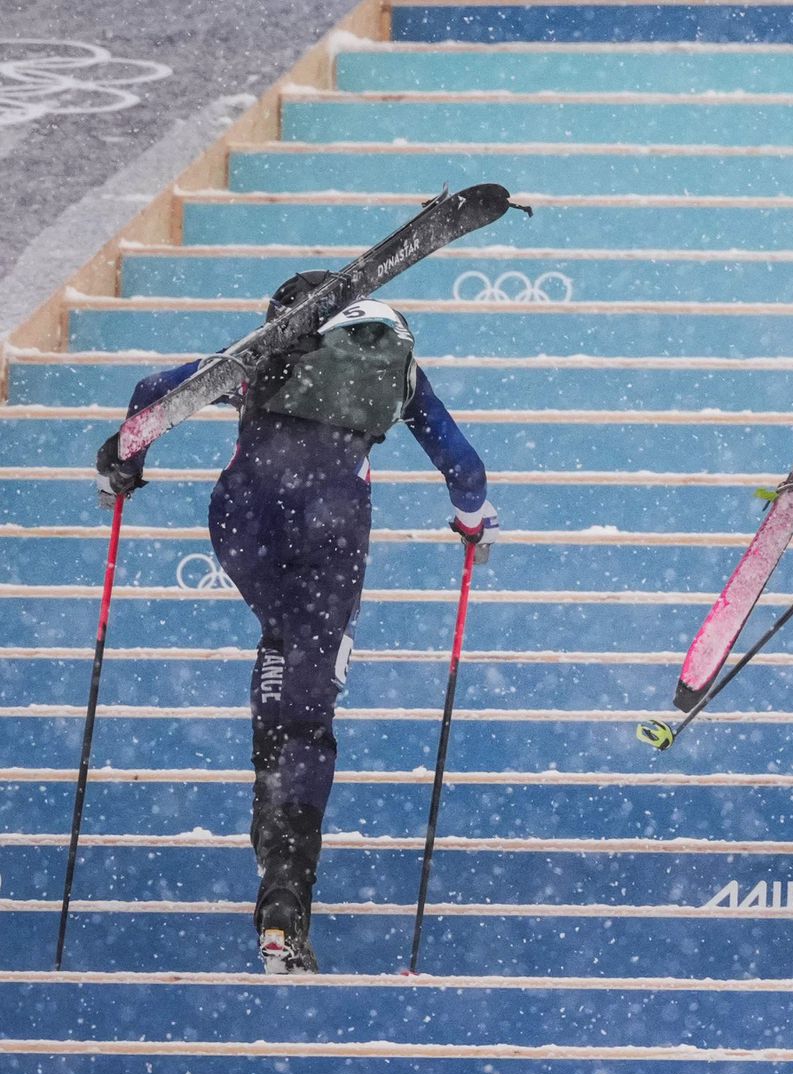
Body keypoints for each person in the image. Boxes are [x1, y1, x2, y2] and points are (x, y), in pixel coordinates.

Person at [95, 272, 499, 973]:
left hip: (242, 516)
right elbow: (464, 467)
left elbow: (151, 396)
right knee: (308, 713)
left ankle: (271, 799)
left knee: (280, 646)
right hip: (332, 526)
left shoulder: (266, 352)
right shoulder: (395, 367)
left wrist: (121, 468)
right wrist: (472, 522)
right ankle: (284, 896)